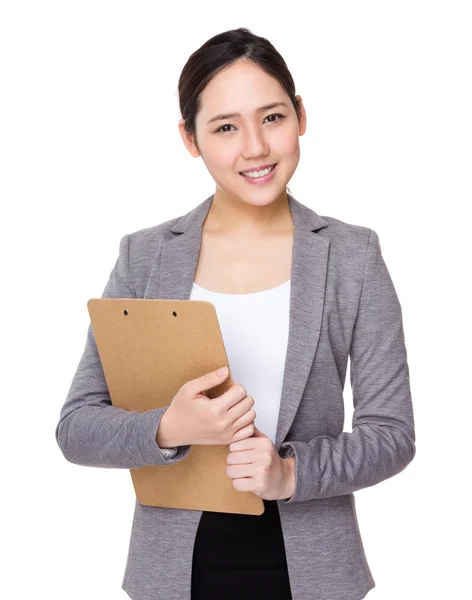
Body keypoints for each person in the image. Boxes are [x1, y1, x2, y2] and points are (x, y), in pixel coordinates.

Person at [55, 27, 416, 600]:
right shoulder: (145, 256)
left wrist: (290, 474)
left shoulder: (352, 255)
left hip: (312, 568)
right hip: (175, 570)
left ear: (300, 116)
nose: (255, 147)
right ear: (190, 138)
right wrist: (170, 428)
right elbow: (76, 428)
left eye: (272, 117)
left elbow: (392, 434)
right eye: (225, 127)